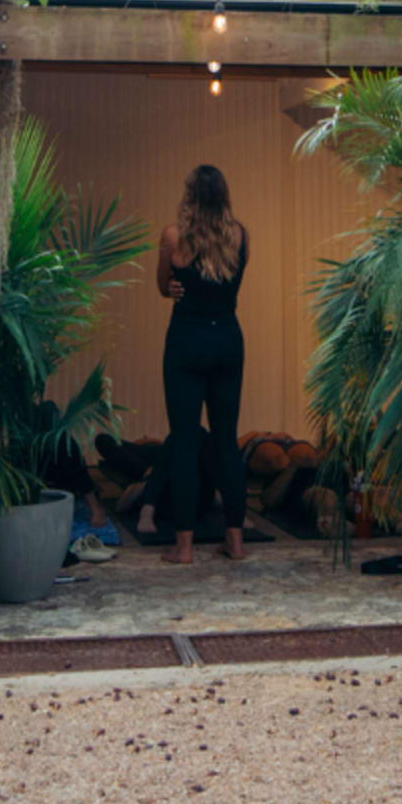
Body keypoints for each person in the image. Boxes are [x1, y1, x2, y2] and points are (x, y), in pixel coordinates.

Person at [154, 162, 249, 564]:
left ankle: (184, 546)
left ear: (190, 196)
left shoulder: (173, 236)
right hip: (227, 338)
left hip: (186, 340)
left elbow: (164, 286)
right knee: (227, 440)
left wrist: (176, 286)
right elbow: (230, 283)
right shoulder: (239, 235)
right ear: (224, 196)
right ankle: (236, 541)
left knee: (185, 441)